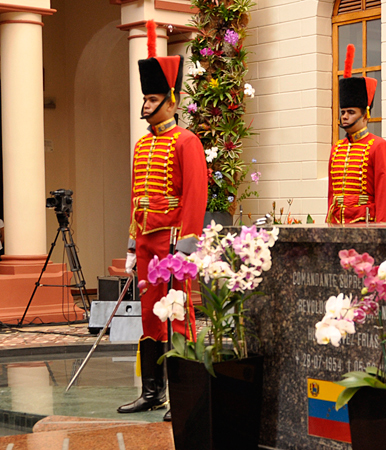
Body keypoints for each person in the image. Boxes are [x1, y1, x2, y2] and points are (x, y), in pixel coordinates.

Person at [117, 20, 208, 418]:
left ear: (171, 101)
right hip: (146, 242)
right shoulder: (142, 145)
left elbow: (194, 196)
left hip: (173, 242)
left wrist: (187, 243)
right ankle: (152, 392)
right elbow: (137, 197)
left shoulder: (186, 141)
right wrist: (130, 245)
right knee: (150, 320)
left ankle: (183, 394)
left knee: (179, 317)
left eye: (154, 98)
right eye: (146, 98)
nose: (147, 105)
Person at [326, 44, 386, 224]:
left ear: (365, 115)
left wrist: (380, 232)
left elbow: (384, 196)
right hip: (337, 222)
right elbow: (332, 195)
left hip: (365, 223)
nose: (345, 117)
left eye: (351, 112)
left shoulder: (379, 147)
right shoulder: (337, 149)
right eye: (343, 112)